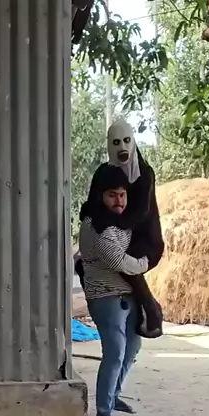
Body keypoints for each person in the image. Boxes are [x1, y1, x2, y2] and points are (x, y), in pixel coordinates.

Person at [78, 118, 165, 338]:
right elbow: (89, 208)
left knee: (124, 262)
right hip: (115, 239)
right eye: (116, 142)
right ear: (109, 145)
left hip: (144, 241)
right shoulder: (102, 173)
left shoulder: (144, 174)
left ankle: (150, 307)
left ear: (133, 141)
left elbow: (140, 214)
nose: (122, 147)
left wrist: (107, 224)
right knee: (86, 263)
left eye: (127, 141)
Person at [78, 165, 149, 416]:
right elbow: (119, 261)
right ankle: (104, 413)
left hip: (127, 295)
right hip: (105, 298)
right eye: (111, 195)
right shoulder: (95, 225)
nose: (118, 201)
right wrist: (145, 262)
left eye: (122, 195)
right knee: (115, 351)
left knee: (132, 347)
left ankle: (113, 395)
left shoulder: (122, 222)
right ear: (99, 195)